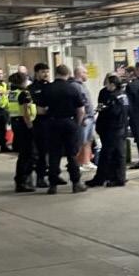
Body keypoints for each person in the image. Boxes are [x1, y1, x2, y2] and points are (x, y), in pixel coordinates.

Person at [39, 64, 88, 194]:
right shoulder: (73, 88)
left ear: (56, 73)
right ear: (68, 74)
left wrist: (50, 112)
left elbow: (40, 110)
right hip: (69, 123)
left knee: (54, 154)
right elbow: (81, 110)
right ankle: (76, 183)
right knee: (72, 155)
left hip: (52, 123)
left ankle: (53, 185)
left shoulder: (48, 88)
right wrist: (76, 124)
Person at [86, 73, 129, 188]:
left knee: (108, 154)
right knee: (117, 154)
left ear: (113, 84)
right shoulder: (122, 94)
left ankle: (109, 178)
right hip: (119, 127)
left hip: (113, 128)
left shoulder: (114, 96)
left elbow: (113, 112)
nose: (106, 86)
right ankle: (113, 177)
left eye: (108, 84)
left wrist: (105, 109)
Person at [5, 72, 37, 193]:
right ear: (23, 81)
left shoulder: (12, 93)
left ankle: (21, 180)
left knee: (23, 154)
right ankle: (23, 181)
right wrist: (30, 125)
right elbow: (25, 111)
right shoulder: (23, 93)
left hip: (15, 122)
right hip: (24, 124)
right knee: (28, 154)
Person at [28, 63, 53, 188]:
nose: (46, 74)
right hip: (39, 123)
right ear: (37, 73)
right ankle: (40, 177)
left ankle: (54, 175)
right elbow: (34, 108)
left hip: (51, 122)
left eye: (47, 71)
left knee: (52, 150)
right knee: (41, 152)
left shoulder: (50, 86)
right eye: (43, 72)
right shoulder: (31, 88)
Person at [72, 66, 97, 172]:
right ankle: (77, 163)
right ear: (79, 73)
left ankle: (86, 161)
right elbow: (79, 104)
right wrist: (82, 118)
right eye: (85, 73)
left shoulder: (83, 85)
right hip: (84, 118)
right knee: (80, 141)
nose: (87, 75)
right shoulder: (75, 86)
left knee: (88, 140)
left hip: (90, 117)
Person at [124, 66, 139, 170]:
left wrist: (127, 115)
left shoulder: (130, 86)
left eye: (126, 73)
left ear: (131, 73)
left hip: (135, 115)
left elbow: (129, 103)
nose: (125, 75)